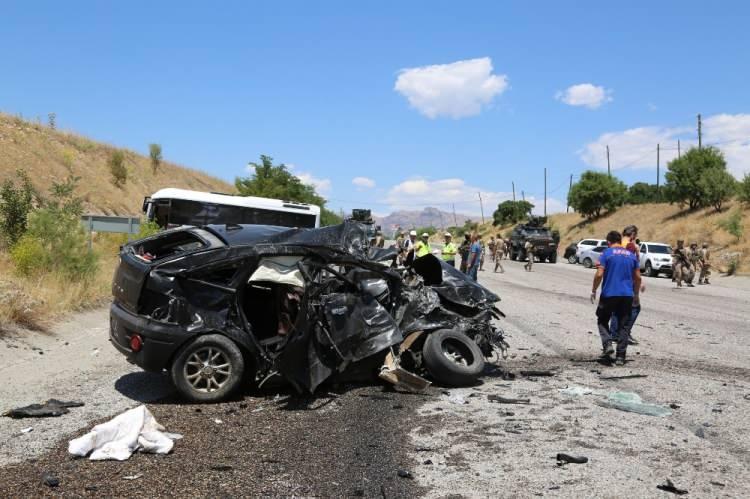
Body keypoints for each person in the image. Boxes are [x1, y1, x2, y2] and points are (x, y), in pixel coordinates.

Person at [591, 230, 642, 366]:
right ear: (620, 241)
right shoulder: (631, 256)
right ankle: (620, 357)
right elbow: (638, 278)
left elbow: (599, 274)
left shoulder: (606, 254)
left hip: (609, 294)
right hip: (627, 295)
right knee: (623, 325)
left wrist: (593, 290)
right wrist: (636, 294)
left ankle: (607, 345)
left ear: (608, 242)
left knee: (602, 320)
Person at [609, 225, 643, 346]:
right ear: (633, 234)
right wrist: (639, 283)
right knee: (634, 307)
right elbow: (631, 264)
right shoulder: (631, 246)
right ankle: (624, 333)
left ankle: (614, 333)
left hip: (614, 278)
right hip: (628, 280)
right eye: (635, 235)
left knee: (616, 308)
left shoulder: (616, 244)